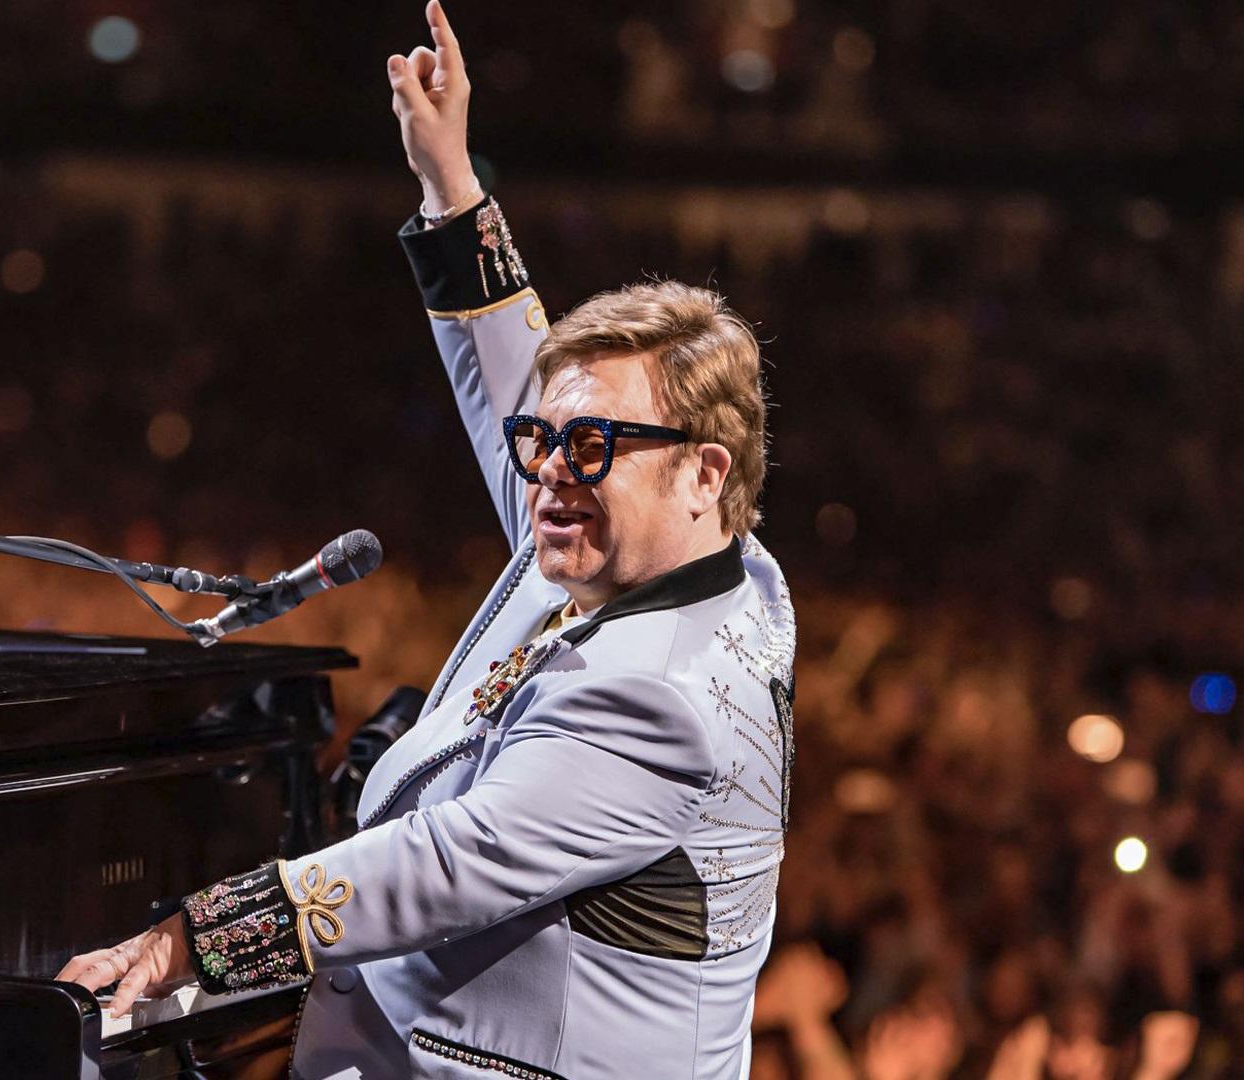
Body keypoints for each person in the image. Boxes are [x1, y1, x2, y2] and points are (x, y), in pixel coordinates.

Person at [58, 4, 798, 1076]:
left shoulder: (659, 700)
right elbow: (525, 387)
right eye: (545, 442)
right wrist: (452, 187)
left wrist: (193, 939)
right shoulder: (701, 563)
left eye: (588, 447)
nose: (546, 470)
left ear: (704, 472)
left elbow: (445, 862)